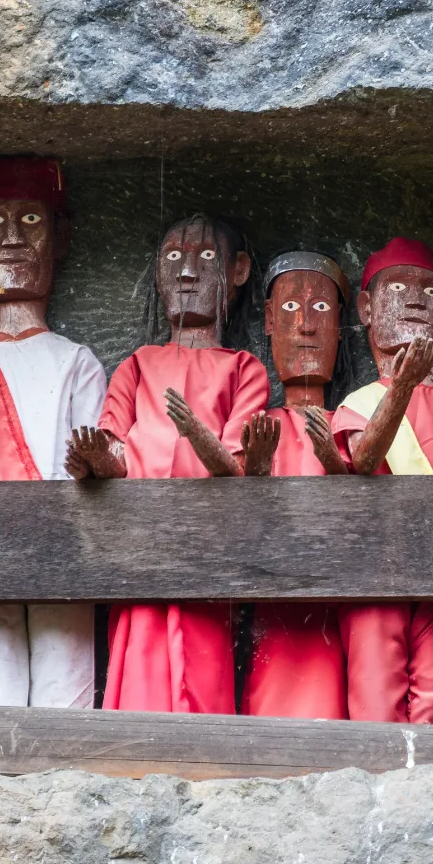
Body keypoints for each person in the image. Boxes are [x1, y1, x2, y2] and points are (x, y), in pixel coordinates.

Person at [68, 214, 269, 713]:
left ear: (238, 270)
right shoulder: (137, 364)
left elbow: (236, 466)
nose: (187, 273)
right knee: (138, 667)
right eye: (173, 258)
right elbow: (114, 447)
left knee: (203, 674)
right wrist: (98, 458)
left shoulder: (244, 368)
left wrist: (195, 432)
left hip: (205, 548)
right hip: (139, 546)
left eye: (205, 257)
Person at [0, 157, 105, 711]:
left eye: (30, 220)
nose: (9, 238)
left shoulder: (78, 362)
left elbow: (92, 472)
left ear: (61, 239)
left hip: (65, 552)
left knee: (66, 704)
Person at [176, 251, 354, 719]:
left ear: (342, 327)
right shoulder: (256, 425)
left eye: (321, 311)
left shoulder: (351, 421)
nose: (306, 328)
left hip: (339, 612)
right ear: (270, 322)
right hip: (270, 616)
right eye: (290, 310)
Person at [328, 237, 433, 725]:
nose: (415, 298)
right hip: (374, 578)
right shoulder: (356, 403)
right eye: (398, 288)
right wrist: (404, 386)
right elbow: (363, 458)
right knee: (375, 691)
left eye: (429, 291)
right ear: (365, 309)